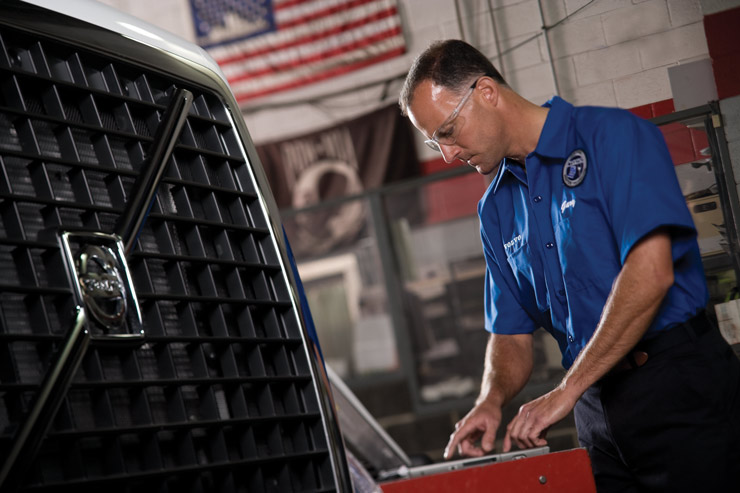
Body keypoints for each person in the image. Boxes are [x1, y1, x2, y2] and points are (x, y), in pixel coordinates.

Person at [399, 39, 740, 492]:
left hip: (677, 386)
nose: (448, 154)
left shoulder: (612, 136)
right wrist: (491, 399)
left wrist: (567, 389)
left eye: (448, 130)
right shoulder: (495, 209)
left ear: (486, 92)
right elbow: (510, 332)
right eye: (434, 142)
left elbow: (652, 272)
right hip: (595, 412)